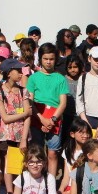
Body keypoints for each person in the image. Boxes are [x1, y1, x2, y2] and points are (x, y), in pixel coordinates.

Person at [26, 43, 69, 177]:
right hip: (37, 118)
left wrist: (52, 120)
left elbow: (63, 103)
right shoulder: (33, 78)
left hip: (55, 119)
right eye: (45, 59)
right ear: (40, 59)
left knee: (52, 153)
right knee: (36, 153)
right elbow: (30, 102)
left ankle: (50, 183)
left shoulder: (60, 78)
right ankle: (35, 181)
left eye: (51, 59)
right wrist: (42, 119)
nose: (49, 62)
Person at [0, 58, 32, 194]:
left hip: (22, 135)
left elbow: (28, 117)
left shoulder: (24, 91)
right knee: (8, 163)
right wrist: (23, 113)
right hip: (6, 134)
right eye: (18, 71)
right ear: (9, 73)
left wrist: (23, 139)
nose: (22, 73)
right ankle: (10, 193)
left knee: (20, 163)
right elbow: (5, 118)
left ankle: (19, 192)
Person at [0, 145, 68, 194]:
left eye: (38, 162)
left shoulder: (49, 178)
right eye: (31, 162)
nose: (35, 165)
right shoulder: (21, 177)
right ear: (26, 164)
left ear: (44, 163)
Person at [57, 119, 92, 194]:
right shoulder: (67, 151)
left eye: (87, 132)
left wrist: (68, 192)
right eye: (81, 132)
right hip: (70, 187)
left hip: (83, 189)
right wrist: (61, 190)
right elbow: (66, 177)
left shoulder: (91, 152)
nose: (86, 135)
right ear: (72, 134)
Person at [62, 54, 84, 144]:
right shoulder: (63, 80)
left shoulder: (83, 79)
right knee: (66, 138)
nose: (72, 70)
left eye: (75, 67)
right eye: (70, 67)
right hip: (66, 115)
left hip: (80, 115)